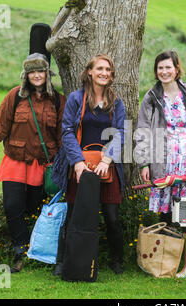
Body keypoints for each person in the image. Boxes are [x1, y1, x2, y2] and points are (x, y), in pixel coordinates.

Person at [0, 53, 66, 273]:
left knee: (34, 207)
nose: (37, 75)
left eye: (40, 71)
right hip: (15, 161)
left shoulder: (58, 100)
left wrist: (66, 162)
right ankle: (19, 253)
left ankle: (38, 251)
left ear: (47, 74)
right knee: (12, 207)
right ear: (26, 75)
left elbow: (62, 135)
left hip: (43, 165)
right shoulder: (15, 96)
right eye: (32, 72)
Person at [52, 54, 127, 275]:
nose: (104, 73)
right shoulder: (76, 99)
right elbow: (66, 131)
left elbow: (122, 133)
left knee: (112, 217)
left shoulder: (116, 101)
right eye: (100, 69)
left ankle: (117, 260)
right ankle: (63, 261)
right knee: (74, 214)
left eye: (108, 70)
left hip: (108, 167)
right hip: (80, 166)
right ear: (90, 72)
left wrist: (106, 159)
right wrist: (76, 162)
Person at [135, 50, 186, 278]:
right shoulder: (151, 97)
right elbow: (143, 131)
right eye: (160, 68)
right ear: (156, 72)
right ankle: (168, 260)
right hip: (162, 160)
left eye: (168, 67)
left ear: (177, 69)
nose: (164, 72)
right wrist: (144, 163)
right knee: (166, 212)